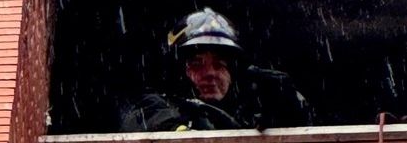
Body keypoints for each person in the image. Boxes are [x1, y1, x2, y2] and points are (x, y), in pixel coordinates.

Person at [119, 7, 314, 132]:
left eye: (220, 65)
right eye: (197, 64)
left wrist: (290, 110)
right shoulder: (151, 111)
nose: (211, 73)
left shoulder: (255, 108)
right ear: (179, 72)